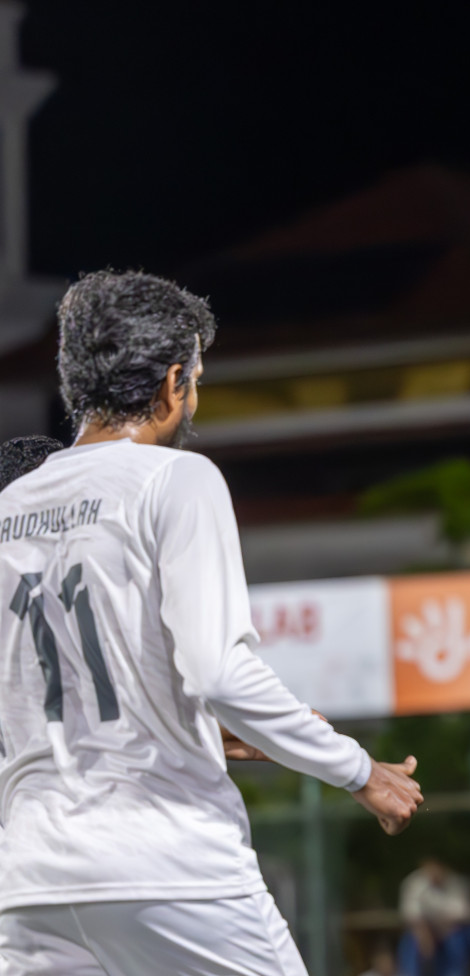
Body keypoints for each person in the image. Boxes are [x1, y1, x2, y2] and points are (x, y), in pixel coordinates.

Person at [0, 270, 423, 974]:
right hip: (168, 864)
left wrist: (174, 719)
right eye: (196, 378)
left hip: (29, 886)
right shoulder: (177, 480)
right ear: (173, 383)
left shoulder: (9, 509)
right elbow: (219, 670)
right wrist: (360, 771)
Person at [399, 857, 470, 976]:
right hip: (422, 930)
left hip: (450, 930)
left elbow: (464, 911)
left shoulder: (455, 882)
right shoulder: (414, 882)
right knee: (412, 944)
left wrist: (444, 925)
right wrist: (425, 934)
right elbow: (411, 914)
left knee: (458, 942)